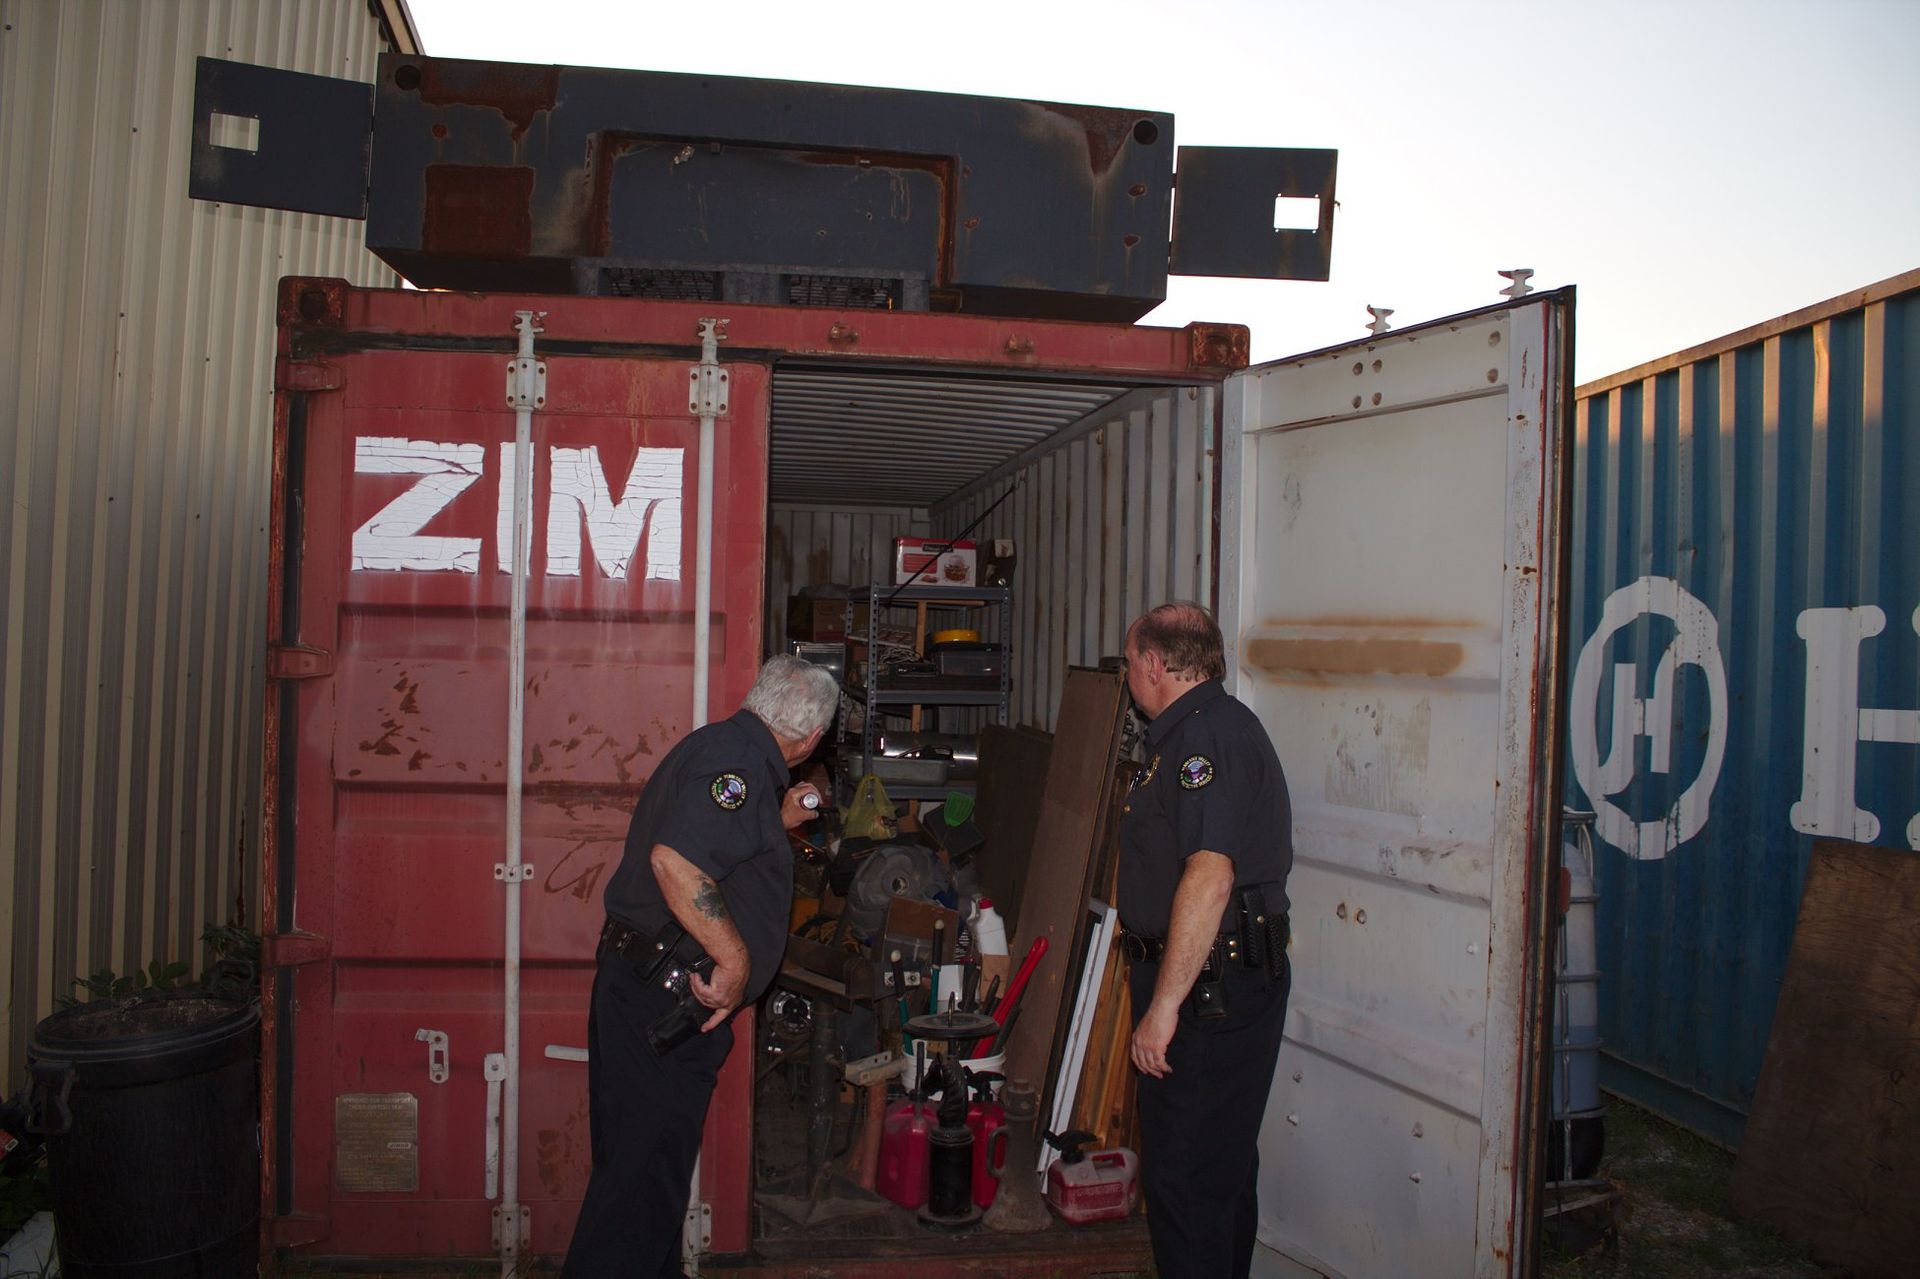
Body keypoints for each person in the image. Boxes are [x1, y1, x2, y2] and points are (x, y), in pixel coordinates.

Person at [563, 655, 838, 1278]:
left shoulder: (725, 749)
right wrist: (735, 960)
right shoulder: (739, 768)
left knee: (648, 1171)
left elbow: (716, 837)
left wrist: (777, 816)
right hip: (666, 1000)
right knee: (636, 1184)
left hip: (644, 988)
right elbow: (677, 862)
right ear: (812, 737)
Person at [1118, 602, 1293, 1279]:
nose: (1129, 676)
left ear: (1156, 665)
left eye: (1131, 663)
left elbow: (1210, 875)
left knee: (1188, 1181)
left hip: (1207, 993)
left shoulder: (1206, 742)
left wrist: (1163, 1007)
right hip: (1209, 981)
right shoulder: (1193, 732)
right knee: (1215, 1172)